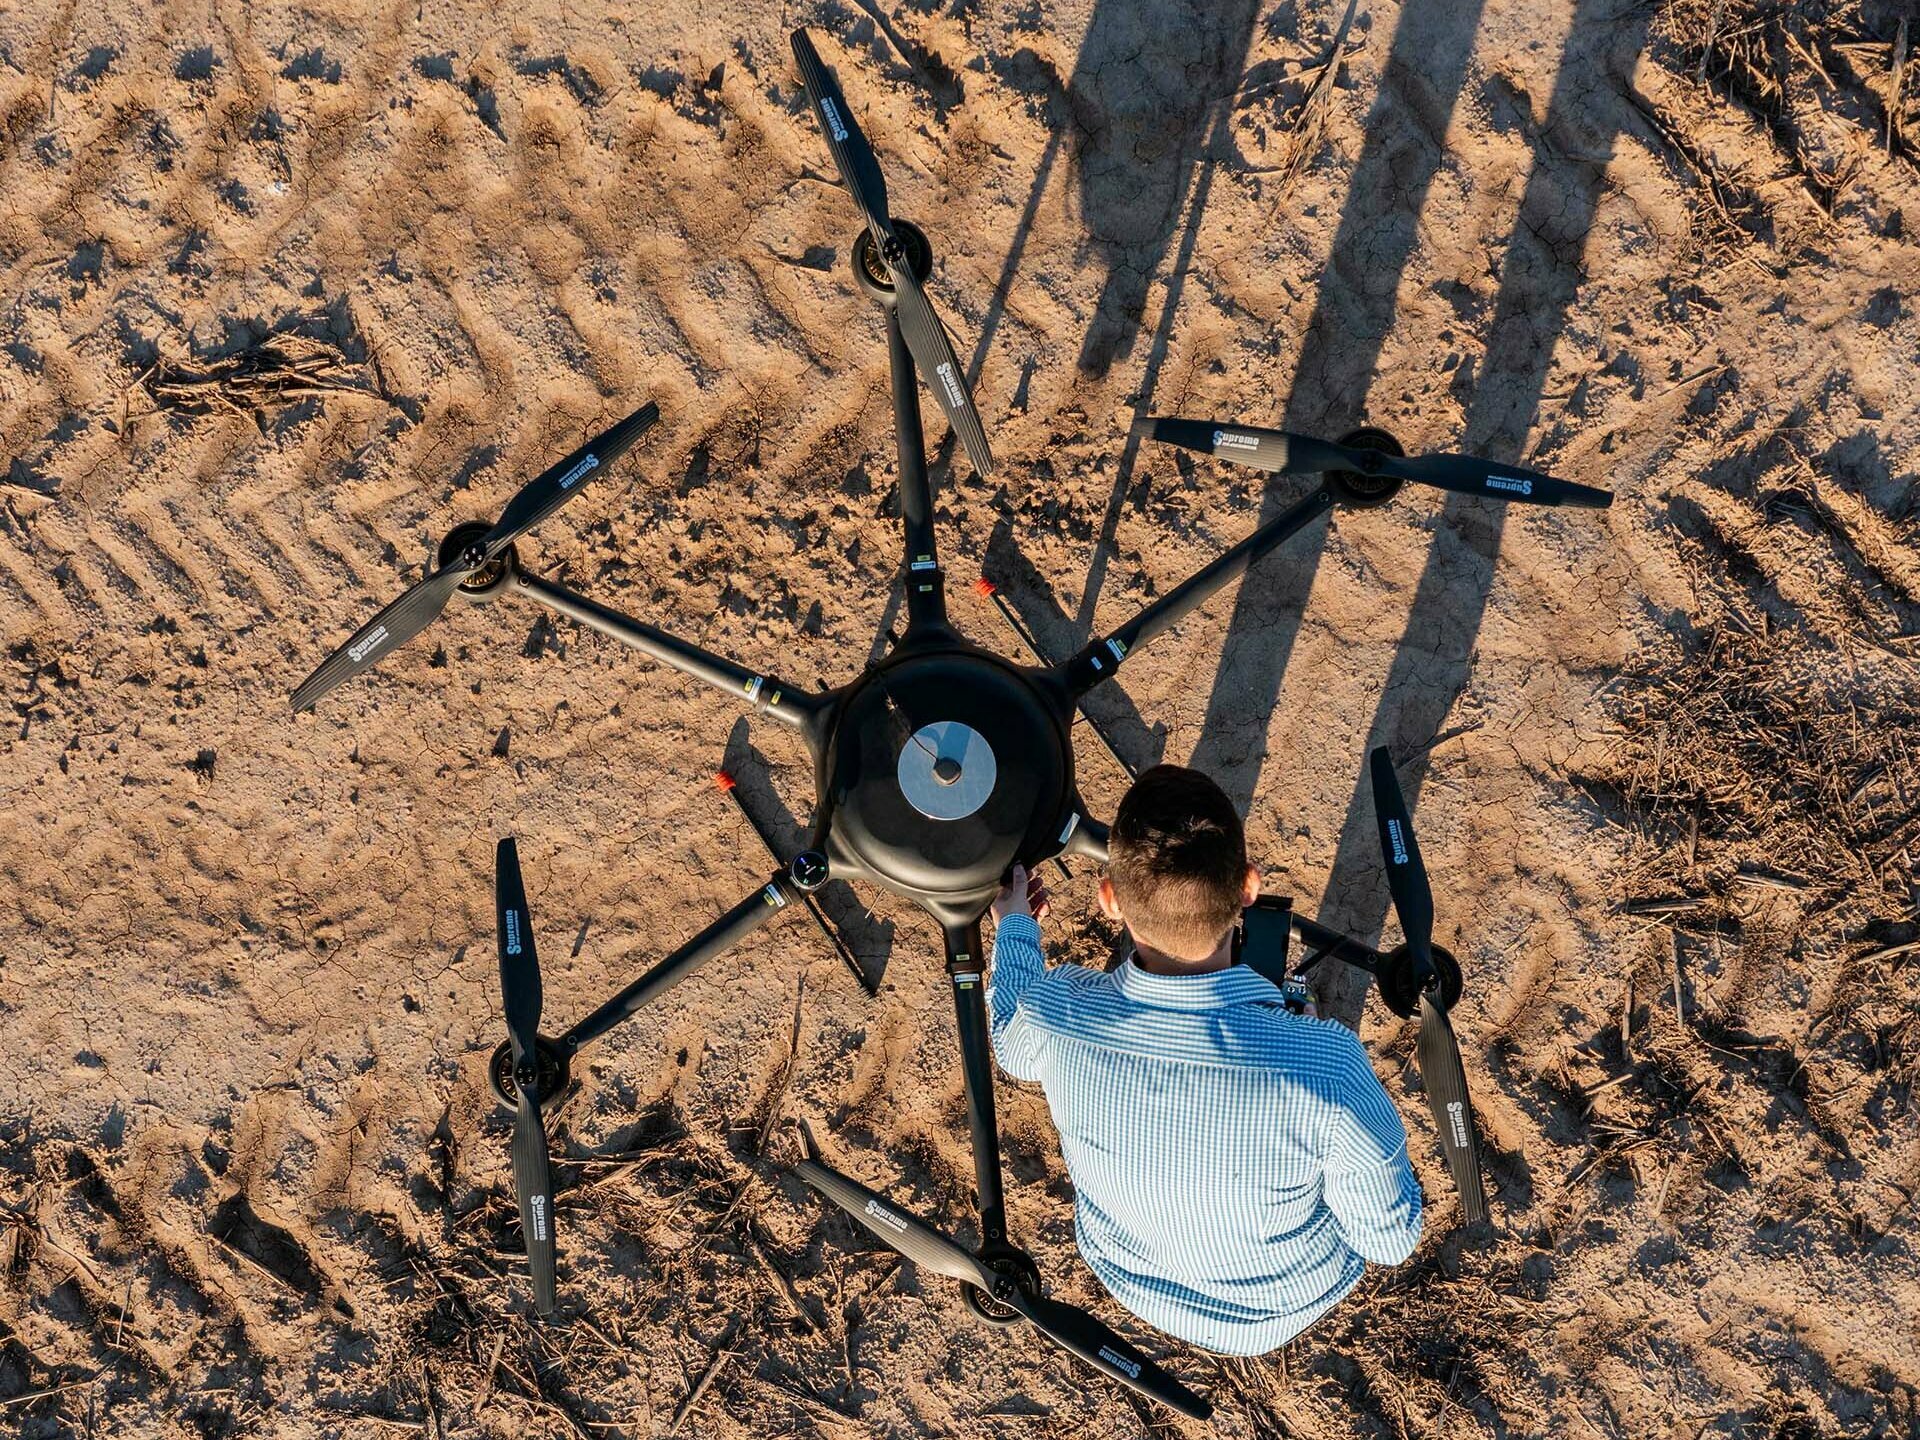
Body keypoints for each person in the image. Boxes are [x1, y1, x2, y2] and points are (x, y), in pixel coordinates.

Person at [986, 764, 1423, 1355]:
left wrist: (1015, 927)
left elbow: (1011, 1041)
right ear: (1248, 887)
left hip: (1127, 1279)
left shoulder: (1058, 1017)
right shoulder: (1330, 1067)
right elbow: (1390, 1240)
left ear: (1109, 901)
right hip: (1279, 1310)